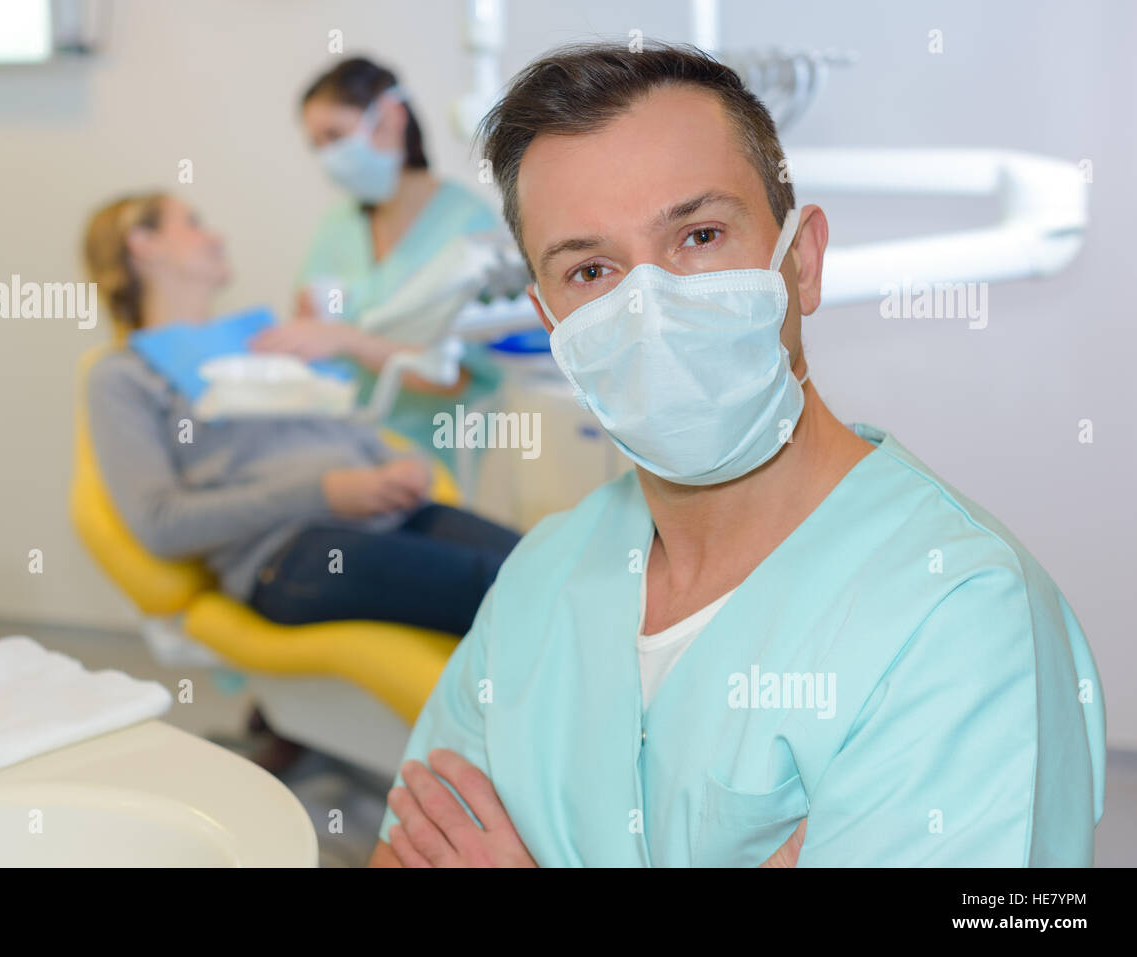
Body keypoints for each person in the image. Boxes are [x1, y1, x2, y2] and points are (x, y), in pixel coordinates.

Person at [370, 41, 1106, 868]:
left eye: (700, 235)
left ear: (803, 259)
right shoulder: (542, 578)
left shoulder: (960, 615)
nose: (649, 308)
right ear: (554, 328)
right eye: (591, 269)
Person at [80, 191, 520, 639]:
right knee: (499, 590)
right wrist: (323, 494)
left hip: (390, 515)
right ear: (143, 244)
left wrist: (401, 467)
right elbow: (161, 524)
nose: (217, 236)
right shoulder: (124, 376)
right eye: (192, 223)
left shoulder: (264, 343)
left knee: (545, 571)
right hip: (290, 551)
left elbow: (349, 433)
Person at [250, 56, 506, 469]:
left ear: (389, 118)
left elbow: (459, 376)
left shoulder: (467, 226)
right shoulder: (338, 224)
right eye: (316, 145)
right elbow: (307, 329)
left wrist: (349, 341)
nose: (326, 158)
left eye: (335, 136)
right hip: (341, 450)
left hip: (431, 463)